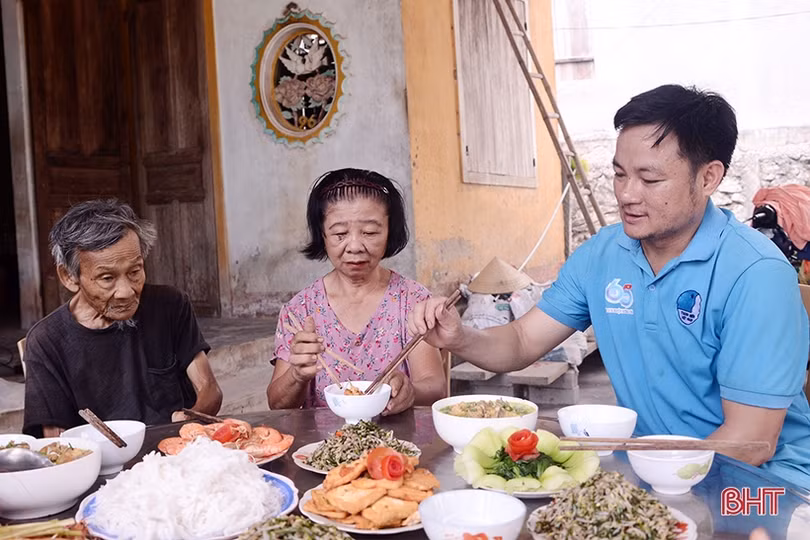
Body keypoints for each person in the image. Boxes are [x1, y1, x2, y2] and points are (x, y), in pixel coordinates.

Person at [408, 85, 810, 488]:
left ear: (709, 177)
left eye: (649, 178)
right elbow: (520, 341)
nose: (627, 194)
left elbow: (751, 442)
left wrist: (649, 488)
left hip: (764, 487)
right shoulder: (604, 254)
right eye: (620, 174)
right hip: (653, 469)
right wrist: (459, 337)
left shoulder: (756, 275)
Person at [22, 200, 222, 437]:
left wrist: (187, 421)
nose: (127, 291)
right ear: (69, 277)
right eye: (107, 278)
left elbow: (210, 390)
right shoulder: (47, 340)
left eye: (135, 272)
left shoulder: (170, 305)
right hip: (104, 464)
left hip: (175, 453)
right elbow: (55, 440)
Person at [266, 168, 446, 414]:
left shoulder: (413, 301)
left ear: (389, 231)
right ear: (323, 235)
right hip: (322, 447)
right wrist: (297, 375)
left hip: (398, 446)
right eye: (340, 234)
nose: (354, 246)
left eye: (370, 233)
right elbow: (276, 403)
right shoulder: (300, 310)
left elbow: (436, 387)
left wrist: (410, 391)